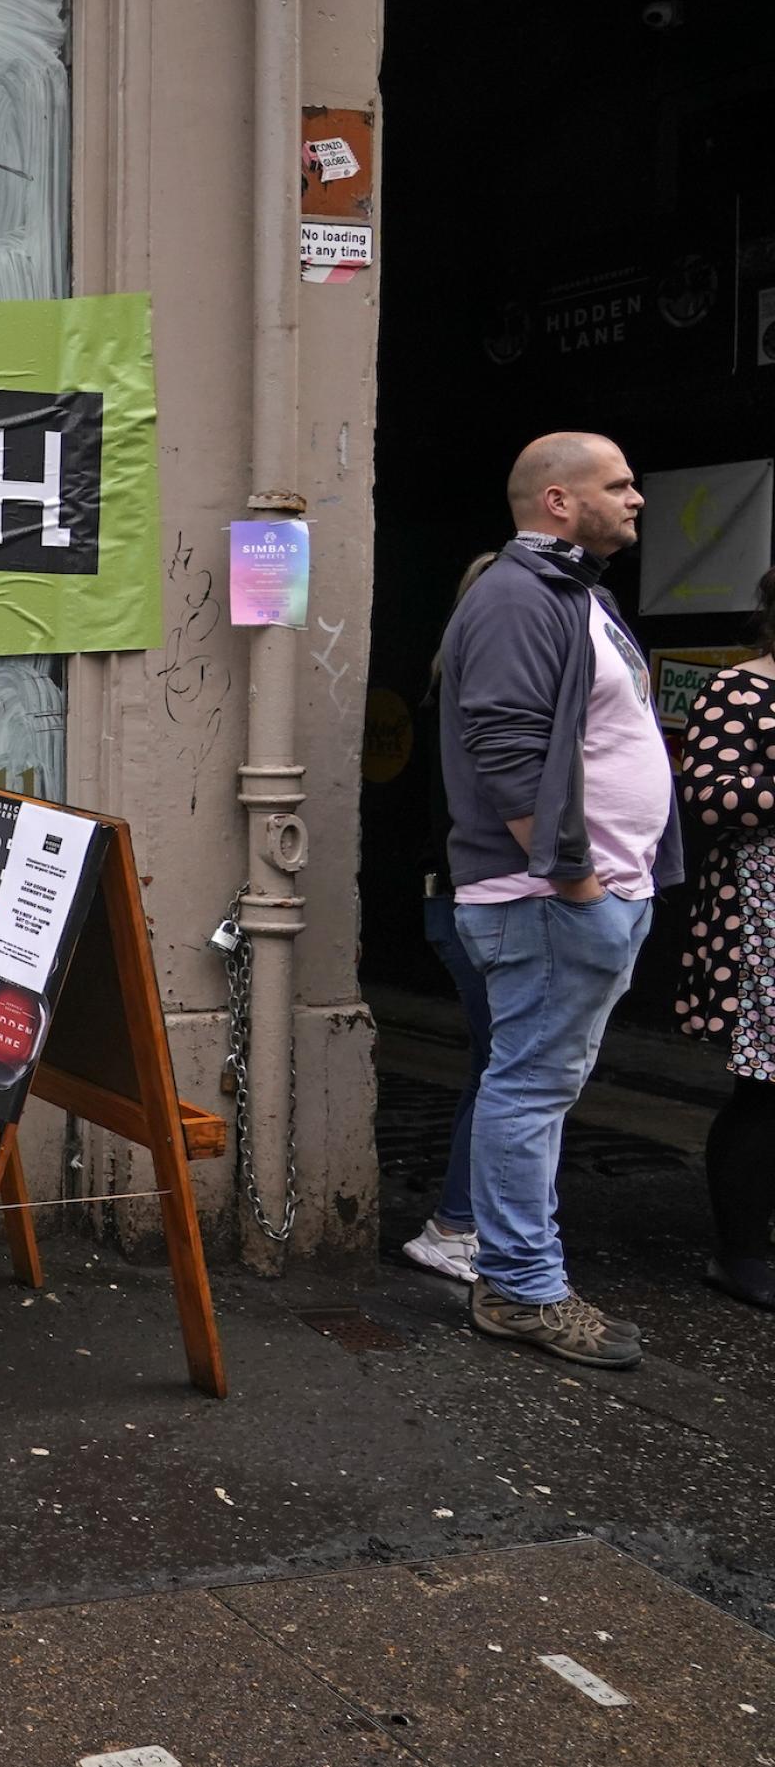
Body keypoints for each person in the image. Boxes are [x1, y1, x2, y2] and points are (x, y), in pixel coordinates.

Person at [438, 430, 678, 1370]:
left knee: (538, 1085)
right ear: (558, 502)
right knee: (530, 1086)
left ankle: (519, 1276)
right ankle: (521, 1288)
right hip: (547, 898)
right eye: (618, 484)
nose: (637, 498)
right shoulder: (514, 597)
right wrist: (573, 878)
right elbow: (504, 743)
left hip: (585, 894)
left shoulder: (577, 595)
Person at [673, 566, 775, 1311]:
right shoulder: (737, 689)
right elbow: (708, 796)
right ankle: (741, 1253)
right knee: (766, 1090)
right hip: (762, 912)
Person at [404, 551, 503, 1284]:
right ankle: (456, 1222)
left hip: (450, 896)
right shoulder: (483, 705)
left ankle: (468, 1220)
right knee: (508, 1068)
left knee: (497, 1062)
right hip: (481, 898)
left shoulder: (441, 691)